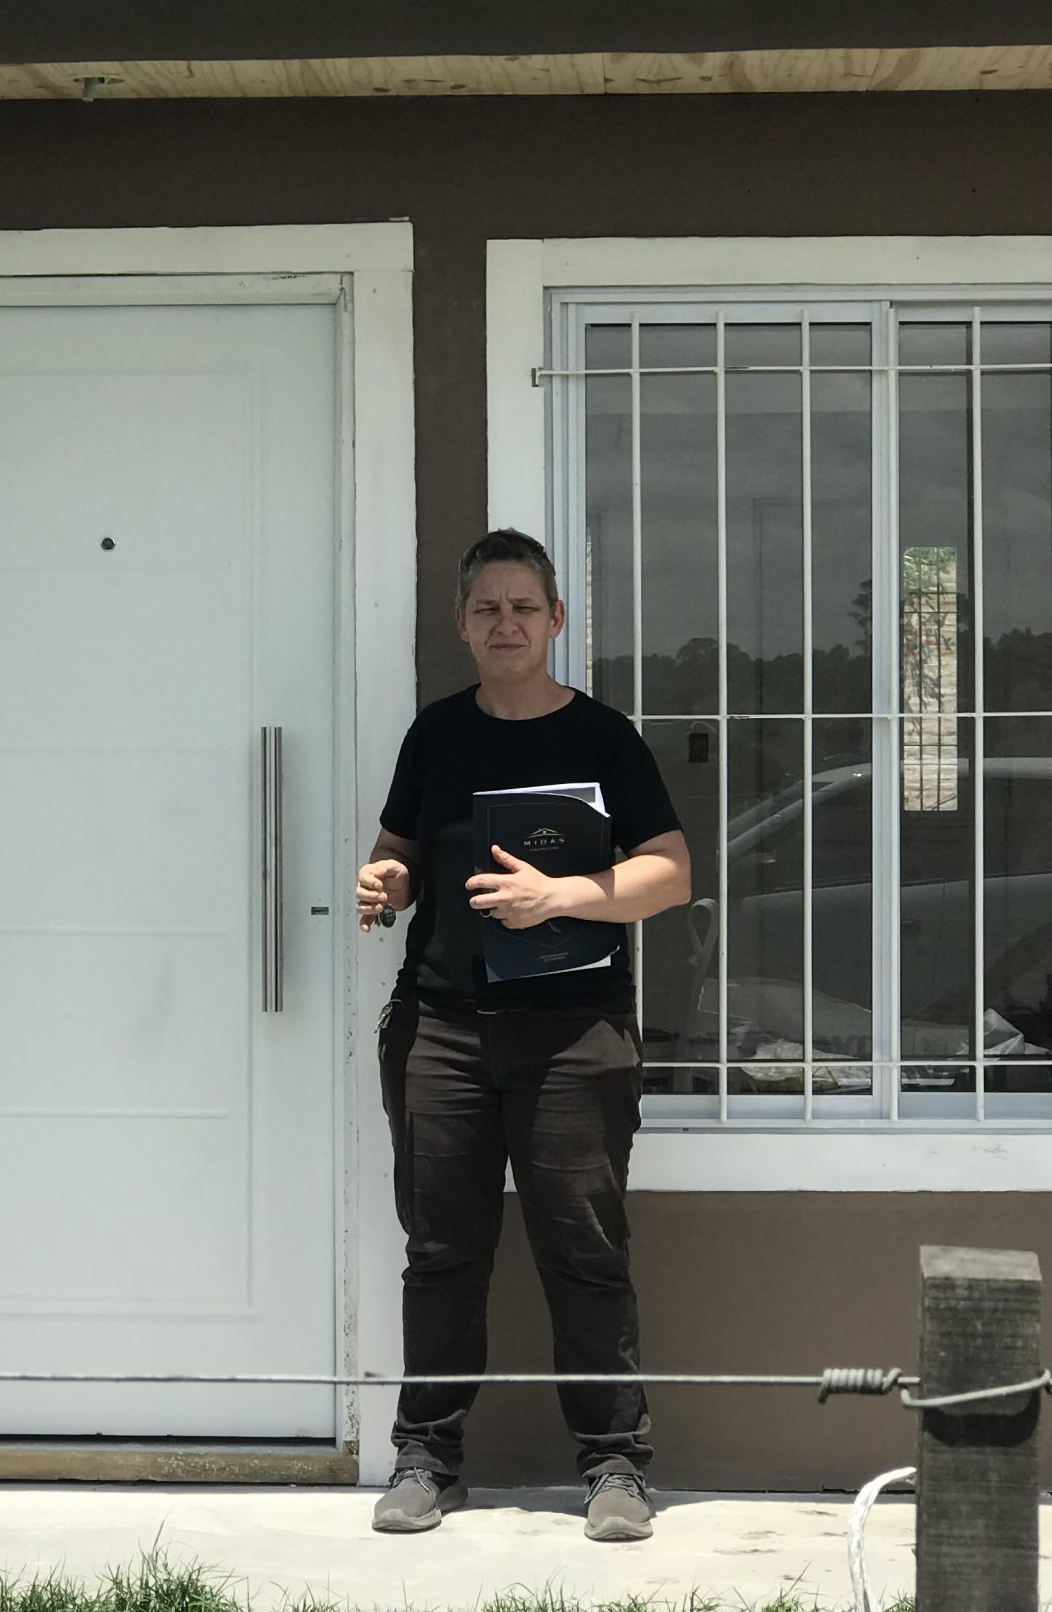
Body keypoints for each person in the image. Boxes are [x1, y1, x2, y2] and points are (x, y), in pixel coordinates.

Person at [355, 528, 691, 1543]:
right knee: (441, 1254)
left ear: (555, 621)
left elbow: (669, 873)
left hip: (573, 1033)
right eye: (487, 609)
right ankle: (426, 1459)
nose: (506, 623)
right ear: (462, 624)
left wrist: (563, 896)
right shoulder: (436, 735)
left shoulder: (602, 737)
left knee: (583, 1254)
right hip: (443, 1029)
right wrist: (387, 880)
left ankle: (616, 1467)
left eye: (523, 607)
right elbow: (400, 850)